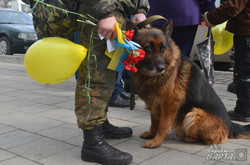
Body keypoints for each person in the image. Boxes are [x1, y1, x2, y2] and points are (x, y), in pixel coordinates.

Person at [75, 1, 149, 164]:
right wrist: (103, 12)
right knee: (95, 76)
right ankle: (92, 143)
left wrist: (140, 7)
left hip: (115, 11)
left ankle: (101, 123)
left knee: (109, 74)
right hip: (100, 13)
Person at [202, 0, 250, 122]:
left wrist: (210, 17)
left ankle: (244, 111)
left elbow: (232, 7)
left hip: (247, 34)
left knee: (245, 73)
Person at [147, 0, 215, 58]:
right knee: (181, 58)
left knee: (157, 55)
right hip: (186, 12)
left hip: (158, 11)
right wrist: (208, 10)